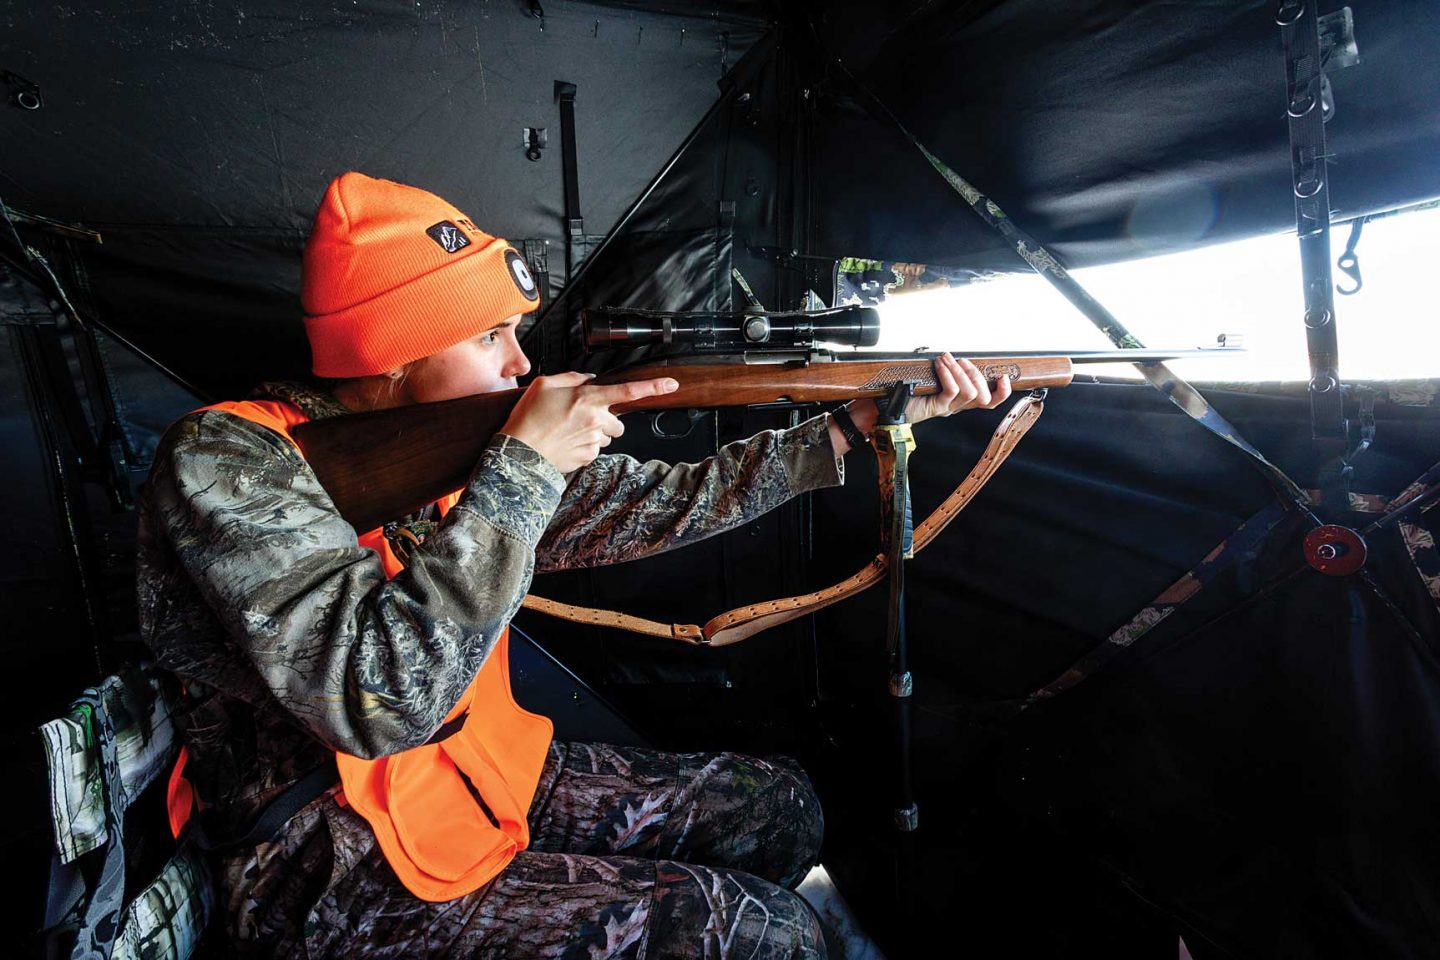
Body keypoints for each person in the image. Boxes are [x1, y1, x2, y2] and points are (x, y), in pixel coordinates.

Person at [136, 171, 1010, 959]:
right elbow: (379, 705)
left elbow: (661, 502)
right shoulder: (226, 459)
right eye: (491, 337)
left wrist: (848, 427)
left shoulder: (456, 451)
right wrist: (523, 470)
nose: (521, 363)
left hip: (470, 772)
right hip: (327, 862)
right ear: (395, 357)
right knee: (771, 938)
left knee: (776, 806)